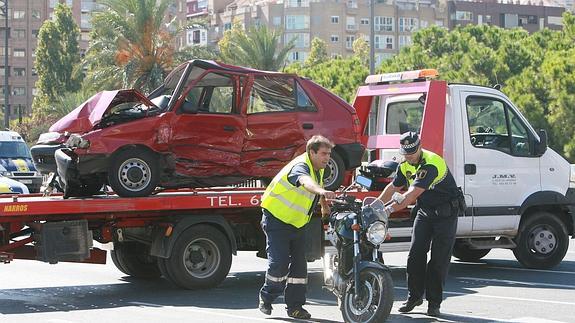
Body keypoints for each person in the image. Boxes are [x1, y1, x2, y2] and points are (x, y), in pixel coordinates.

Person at [377, 131, 463, 317]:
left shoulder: (431, 163)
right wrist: (375, 205)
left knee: (438, 260)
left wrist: (388, 210)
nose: (410, 156)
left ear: (419, 147)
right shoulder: (405, 164)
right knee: (415, 255)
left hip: (445, 214)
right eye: (406, 152)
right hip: (425, 212)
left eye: (413, 151)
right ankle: (414, 297)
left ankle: (434, 303)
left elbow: (412, 194)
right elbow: (393, 187)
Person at [258, 135, 336, 319]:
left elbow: (318, 190)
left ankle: (295, 307)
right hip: (277, 220)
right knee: (279, 264)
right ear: (312, 152)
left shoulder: (320, 169)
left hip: (298, 224)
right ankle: (266, 297)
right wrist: (322, 191)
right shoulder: (301, 166)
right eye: (324, 153)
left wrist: (326, 213)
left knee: (299, 269)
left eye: (329, 154)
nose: (327, 158)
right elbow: (306, 182)